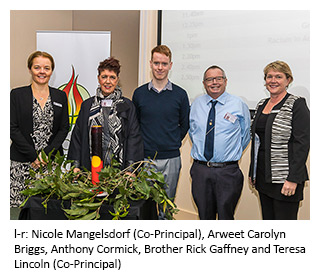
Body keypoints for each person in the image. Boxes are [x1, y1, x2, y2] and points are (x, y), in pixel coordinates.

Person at [132, 45, 190, 219]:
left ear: (170, 65)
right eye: (156, 63)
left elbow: (184, 124)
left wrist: (171, 141)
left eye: (164, 64)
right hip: (146, 160)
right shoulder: (139, 93)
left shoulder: (180, 94)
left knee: (166, 208)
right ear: (150, 63)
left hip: (171, 159)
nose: (160, 67)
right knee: (145, 207)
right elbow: (135, 126)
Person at [10, 51, 69, 218]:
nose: (42, 71)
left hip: (49, 165)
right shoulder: (16, 95)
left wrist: (45, 155)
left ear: (51, 71)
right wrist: (33, 156)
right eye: (37, 67)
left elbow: (64, 128)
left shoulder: (60, 96)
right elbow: (11, 127)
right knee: (19, 213)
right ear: (30, 69)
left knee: (48, 211)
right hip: (22, 164)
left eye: (46, 68)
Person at [249, 61, 310, 220]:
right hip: (263, 176)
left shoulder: (297, 103)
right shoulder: (262, 104)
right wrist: (252, 171)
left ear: (288, 80)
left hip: (285, 179)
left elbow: (302, 144)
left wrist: (293, 178)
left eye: (278, 76)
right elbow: (257, 141)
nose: (273, 80)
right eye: (269, 76)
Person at [189, 65, 251, 220]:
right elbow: (193, 132)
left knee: (226, 217)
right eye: (209, 79)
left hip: (227, 172)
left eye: (218, 78)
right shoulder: (196, 104)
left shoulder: (238, 104)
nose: (214, 82)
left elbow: (245, 134)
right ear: (204, 83)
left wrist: (228, 152)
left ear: (225, 81)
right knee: (204, 217)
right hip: (201, 171)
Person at [68, 57, 143, 173]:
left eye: (112, 77)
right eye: (104, 77)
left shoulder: (127, 106)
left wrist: (131, 169)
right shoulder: (87, 106)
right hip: (90, 170)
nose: (108, 81)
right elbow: (77, 137)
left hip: (120, 172)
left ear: (117, 80)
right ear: (98, 79)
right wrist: (75, 165)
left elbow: (134, 138)